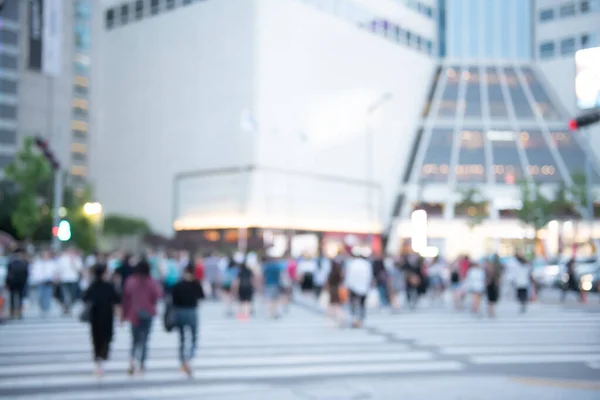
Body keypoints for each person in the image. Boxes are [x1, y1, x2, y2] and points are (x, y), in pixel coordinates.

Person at [122, 259, 162, 375]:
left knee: (134, 340)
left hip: (134, 313)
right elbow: (157, 296)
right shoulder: (151, 282)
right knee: (145, 340)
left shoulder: (131, 281)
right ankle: (141, 365)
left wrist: (124, 315)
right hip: (148, 313)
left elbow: (126, 298)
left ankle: (132, 361)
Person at [83, 264, 120, 376]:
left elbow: (85, 298)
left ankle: (97, 360)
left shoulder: (92, 286)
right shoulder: (109, 286)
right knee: (106, 338)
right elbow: (116, 300)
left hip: (95, 316)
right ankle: (102, 358)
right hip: (107, 316)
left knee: (96, 338)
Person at [171, 264, 205, 377]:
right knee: (194, 337)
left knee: (182, 338)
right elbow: (202, 296)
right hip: (192, 311)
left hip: (180, 312)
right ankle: (188, 358)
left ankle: (183, 360)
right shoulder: (195, 284)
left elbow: (173, 300)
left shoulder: (178, 284)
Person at [344, 248, 373, 328]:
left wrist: (346, 285)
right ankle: (360, 320)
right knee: (362, 304)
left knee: (353, 304)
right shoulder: (366, 264)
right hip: (363, 287)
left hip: (353, 287)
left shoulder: (351, 263)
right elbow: (369, 276)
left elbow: (348, 276)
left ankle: (354, 319)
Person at [55, 247, 83, 315]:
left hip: (74, 279)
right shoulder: (62, 259)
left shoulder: (77, 259)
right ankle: (66, 307)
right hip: (64, 279)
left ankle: (68, 306)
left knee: (73, 295)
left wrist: (73, 262)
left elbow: (79, 269)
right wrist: (57, 277)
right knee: (65, 294)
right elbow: (58, 268)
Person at [5, 247, 29, 319]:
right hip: (20, 282)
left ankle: (13, 312)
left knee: (13, 298)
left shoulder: (11, 262)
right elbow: (26, 273)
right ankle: (18, 312)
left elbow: (8, 273)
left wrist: (7, 282)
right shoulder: (24, 262)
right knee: (19, 298)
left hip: (14, 282)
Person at [262, 252, 284, 319]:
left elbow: (263, 276)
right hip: (276, 284)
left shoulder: (266, 266)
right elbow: (281, 276)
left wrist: (262, 285)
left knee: (269, 299)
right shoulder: (277, 266)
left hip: (268, 284)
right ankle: (275, 312)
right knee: (275, 299)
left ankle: (270, 313)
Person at [327, 258, 345, 327]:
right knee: (337, 306)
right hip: (338, 290)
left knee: (332, 306)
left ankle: (332, 321)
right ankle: (340, 318)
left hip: (333, 291)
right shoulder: (339, 273)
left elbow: (328, 283)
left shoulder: (331, 273)